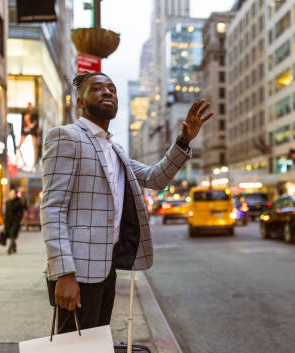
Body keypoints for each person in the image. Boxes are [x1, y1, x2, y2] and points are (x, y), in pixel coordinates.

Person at [41, 72, 213, 333]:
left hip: (106, 268)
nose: (107, 92)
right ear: (80, 101)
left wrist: (183, 141)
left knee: (95, 349)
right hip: (76, 272)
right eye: (97, 88)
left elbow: (155, 178)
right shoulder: (66, 137)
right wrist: (63, 272)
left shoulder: (115, 150)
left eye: (112, 88)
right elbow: (52, 208)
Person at [4, 188, 25, 254]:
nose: (12, 195)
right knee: (11, 235)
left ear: (15, 194)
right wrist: (5, 221)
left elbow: (21, 212)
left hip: (15, 221)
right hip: (8, 221)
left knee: (13, 234)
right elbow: (6, 212)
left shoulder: (18, 202)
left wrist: (19, 218)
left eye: (13, 193)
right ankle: (14, 246)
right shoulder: (7, 202)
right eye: (11, 193)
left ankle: (10, 248)